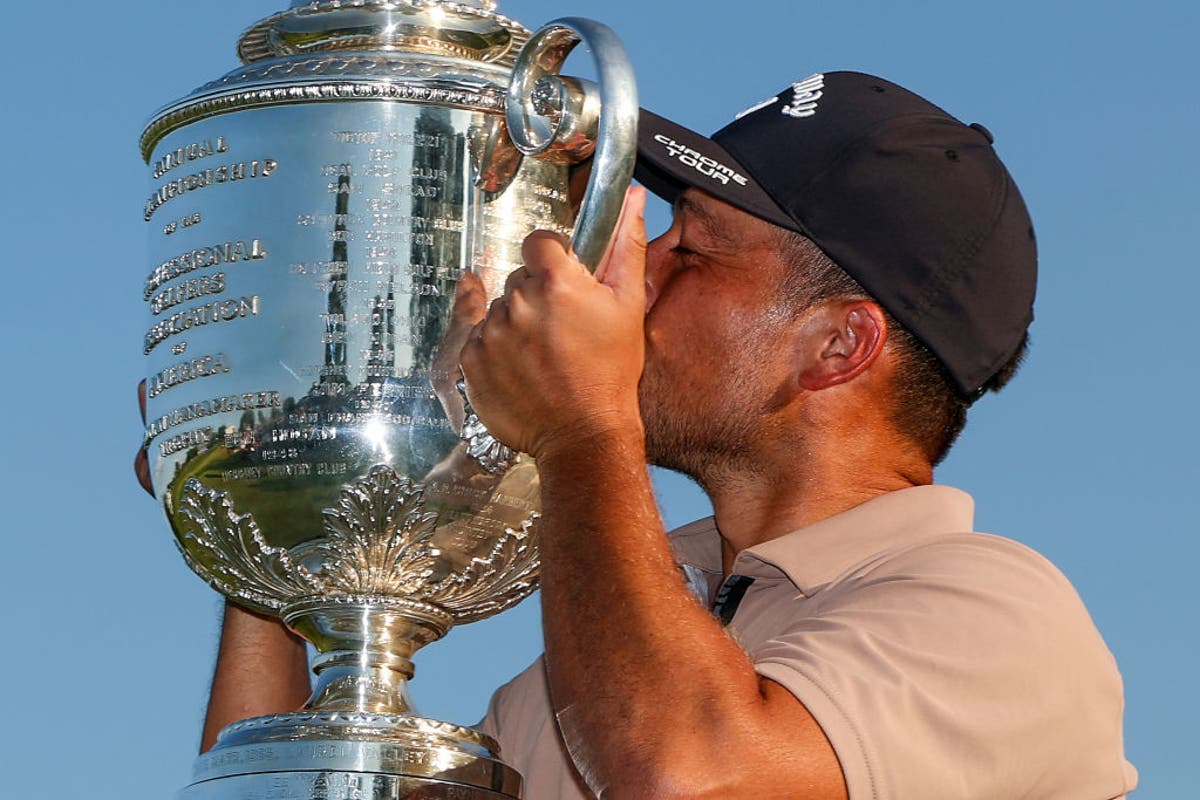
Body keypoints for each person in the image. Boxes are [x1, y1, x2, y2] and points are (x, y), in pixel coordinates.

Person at [175, 71, 1137, 798]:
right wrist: (287, 516)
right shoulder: (626, 634)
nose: (638, 271)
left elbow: (686, 776)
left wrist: (582, 422)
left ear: (839, 344)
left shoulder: (996, 612)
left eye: (696, 250)